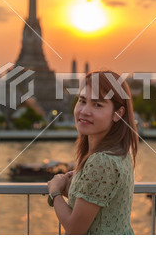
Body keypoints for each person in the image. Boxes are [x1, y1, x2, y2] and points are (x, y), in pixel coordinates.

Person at [47, 70, 139, 235]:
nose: (84, 111)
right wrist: (75, 187)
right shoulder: (120, 153)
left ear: (118, 113)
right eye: (82, 101)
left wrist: (54, 192)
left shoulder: (102, 161)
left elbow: (75, 229)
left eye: (97, 104)